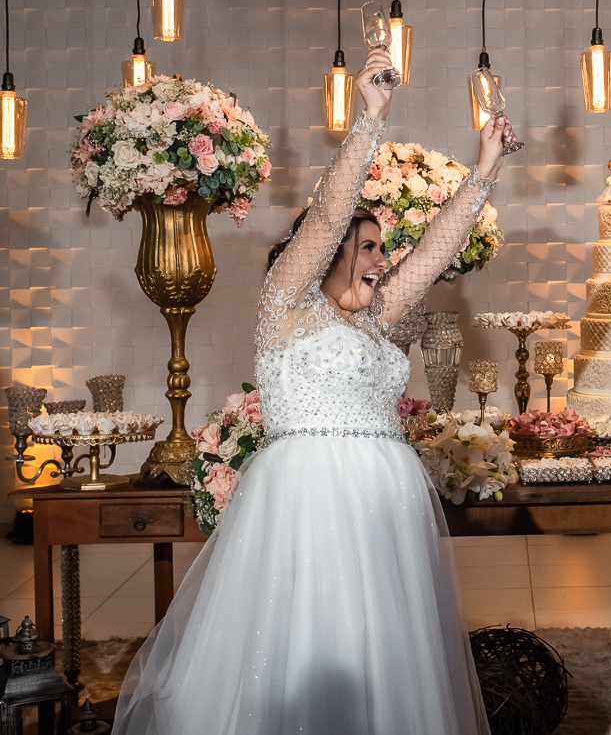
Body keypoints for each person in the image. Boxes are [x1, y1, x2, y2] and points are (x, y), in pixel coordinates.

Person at [112, 50, 510, 735]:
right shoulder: (287, 306)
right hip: (309, 504)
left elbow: (434, 256)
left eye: (382, 250)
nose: (381, 263)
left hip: (385, 512)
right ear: (327, 256)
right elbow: (328, 215)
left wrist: (484, 174)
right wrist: (369, 120)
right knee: (307, 646)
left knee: (385, 656)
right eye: (369, 248)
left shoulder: (375, 317)